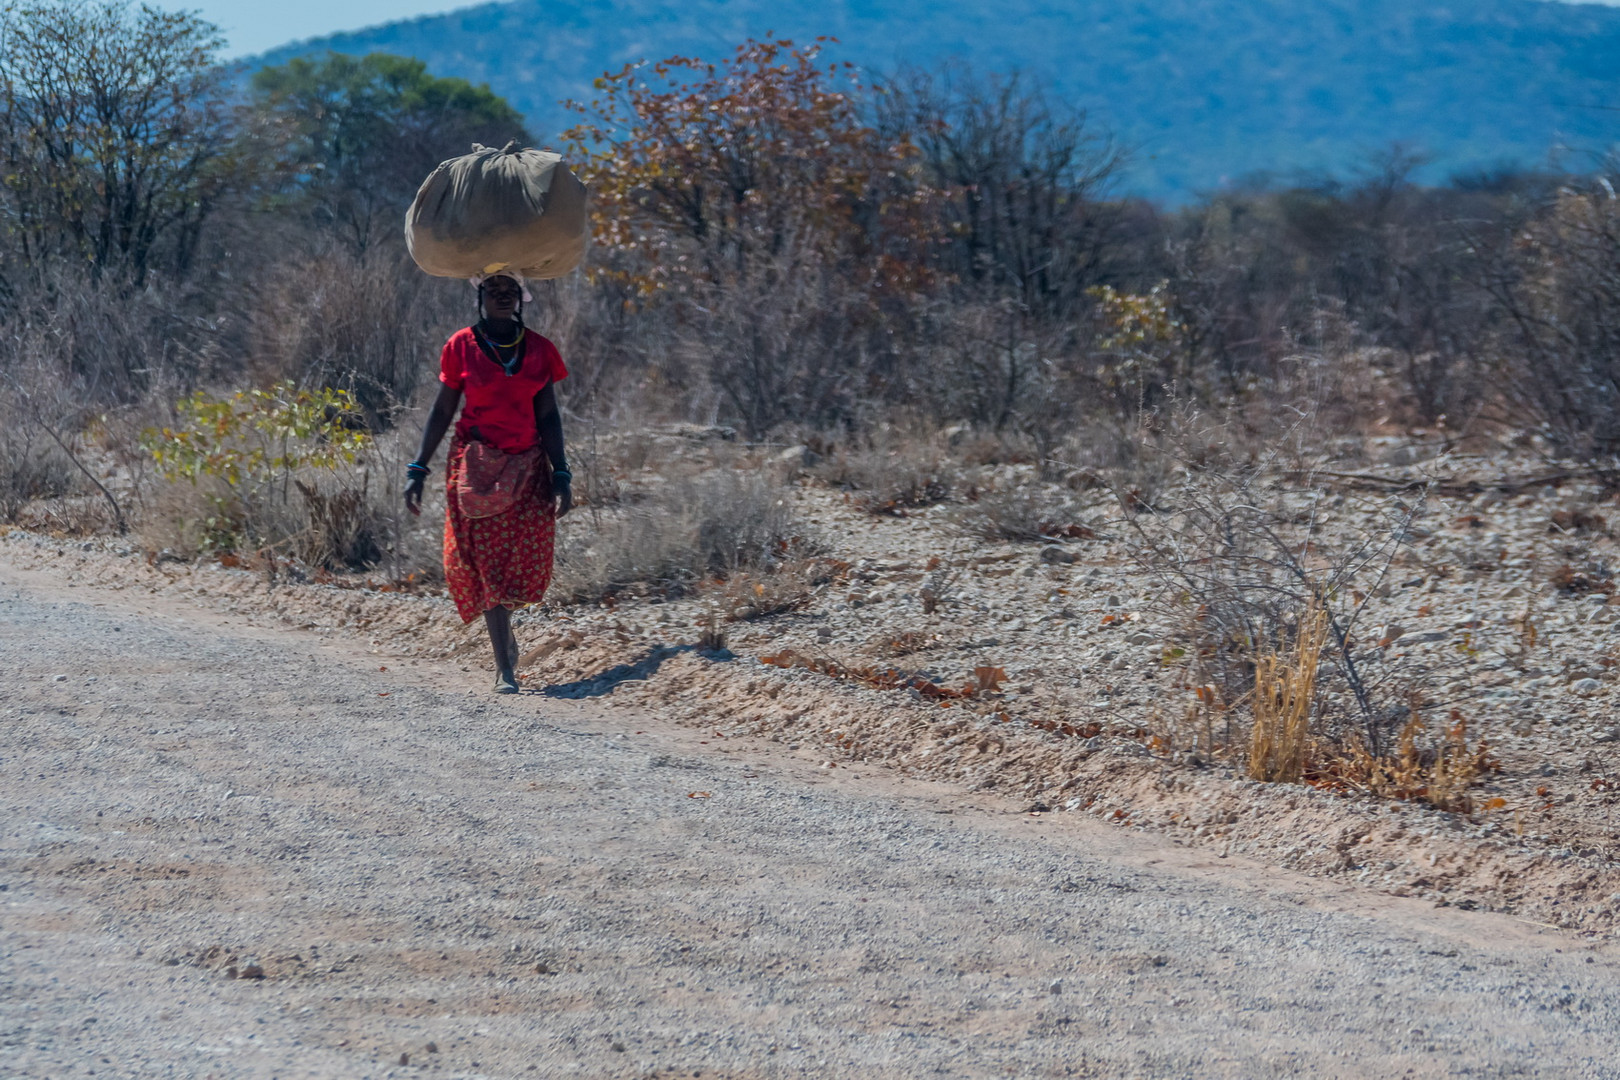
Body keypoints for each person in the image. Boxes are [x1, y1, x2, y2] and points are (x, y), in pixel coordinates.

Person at [405, 271, 573, 693]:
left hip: (528, 466)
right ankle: (505, 667)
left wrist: (562, 472)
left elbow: (548, 415)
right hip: (475, 468)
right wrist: (418, 468)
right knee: (484, 563)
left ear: (522, 299)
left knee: (522, 560)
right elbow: (443, 411)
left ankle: (504, 637)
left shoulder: (538, 351)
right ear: (480, 297)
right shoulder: (461, 346)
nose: (502, 298)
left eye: (510, 292)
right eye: (494, 291)